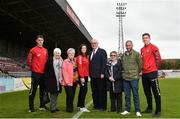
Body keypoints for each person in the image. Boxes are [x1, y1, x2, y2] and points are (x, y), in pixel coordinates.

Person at [141, 33, 161, 117]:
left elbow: (159, 58)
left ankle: (158, 110)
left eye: (146, 38)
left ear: (149, 38)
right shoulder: (142, 49)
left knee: (156, 92)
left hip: (152, 72)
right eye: (143, 38)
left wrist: (155, 68)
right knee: (147, 92)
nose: (145, 39)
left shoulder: (154, 47)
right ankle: (149, 108)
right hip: (144, 74)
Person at [26, 35, 48, 112]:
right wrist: (33, 69)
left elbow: (46, 61)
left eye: (41, 40)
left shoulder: (45, 50)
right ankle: (31, 107)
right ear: (36, 41)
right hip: (35, 74)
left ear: (43, 41)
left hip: (43, 74)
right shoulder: (33, 50)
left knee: (42, 91)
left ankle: (42, 106)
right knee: (33, 91)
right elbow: (28, 61)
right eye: (39, 40)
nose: (40, 41)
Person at [121, 40, 142, 117]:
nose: (128, 46)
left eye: (129, 45)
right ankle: (127, 110)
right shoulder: (123, 55)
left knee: (135, 95)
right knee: (127, 95)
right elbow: (122, 66)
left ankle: (137, 110)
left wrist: (137, 74)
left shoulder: (136, 54)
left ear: (132, 45)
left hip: (134, 78)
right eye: (127, 45)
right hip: (125, 78)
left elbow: (140, 65)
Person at [89, 38, 107, 111]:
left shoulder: (102, 51)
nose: (93, 44)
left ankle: (103, 107)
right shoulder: (90, 53)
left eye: (95, 43)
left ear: (97, 43)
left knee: (101, 91)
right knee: (94, 91)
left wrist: (102, 73)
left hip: (100, 75)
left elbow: (104, 63)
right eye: (92, 43)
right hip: (92, 76)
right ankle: (96, 106)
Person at [44, 48, 63, 113]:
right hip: (52, 80)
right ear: (54, 53)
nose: (57, 54)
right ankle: (52, 108)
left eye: (58, 53)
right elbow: (46, 71)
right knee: (53, 94)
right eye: (56, 53)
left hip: (59, 80)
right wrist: (47, 81)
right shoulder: (49, 60)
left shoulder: (61, 60)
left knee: (56, 94)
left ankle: (54, 106)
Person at [62, 48, 78, 112]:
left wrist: (77, 81)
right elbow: (64, 72)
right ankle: (69, 108)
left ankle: (71, 107)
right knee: (69, 95)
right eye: (70, 53)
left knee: (72, 95)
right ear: (68, 54)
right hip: (68, 82)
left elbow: (77, 71)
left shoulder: (75, 61)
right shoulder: (65, 61)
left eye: (73, 53)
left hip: (74, 81)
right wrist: (68, 82)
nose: (71, 54)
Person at [76, 44, 90, 112]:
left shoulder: (85, 57)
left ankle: (79, 105)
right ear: (80, 49)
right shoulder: (80, 57)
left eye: (85, 48)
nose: (84, 49)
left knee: (82, 90)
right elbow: (80, 67)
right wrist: (81, 77)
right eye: (83, 48)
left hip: (86, 76)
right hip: (82, 76)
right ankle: (82, 106)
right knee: (83, 91)